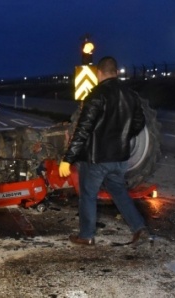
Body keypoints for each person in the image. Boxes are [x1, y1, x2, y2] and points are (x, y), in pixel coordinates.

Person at [58, 56, 147, 246]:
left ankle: (86, 235)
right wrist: (122, 137)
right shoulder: (131, 95)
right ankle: (139, 228)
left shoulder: (96, 95)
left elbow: (83, 129)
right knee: (119, 191)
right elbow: (139, 123)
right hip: (120, 157)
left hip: (97, 158)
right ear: (116, 72)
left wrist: (68, 159)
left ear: (99, 73)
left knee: (88, 195)